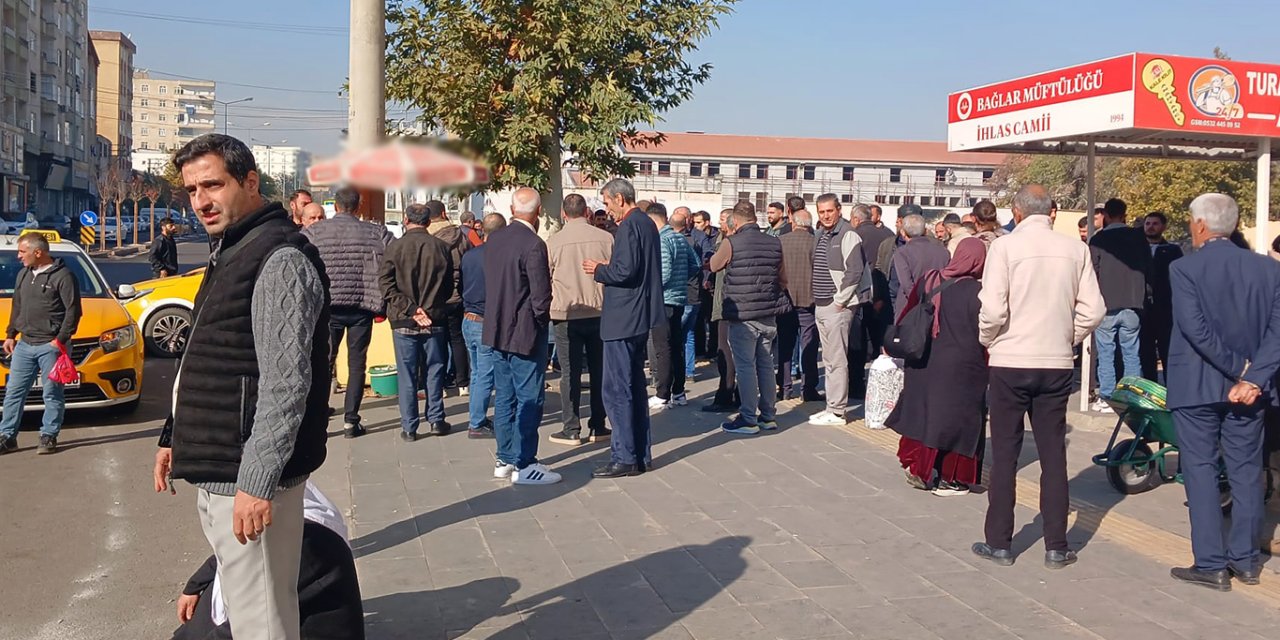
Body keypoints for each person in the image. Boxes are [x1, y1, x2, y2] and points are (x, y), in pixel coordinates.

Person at [154, 133, 329, 640]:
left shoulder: (279, 258)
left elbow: (286, 384)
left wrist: (257, 482)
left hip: (248, 480)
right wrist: (173, 435)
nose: (201, 201)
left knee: (262, 624)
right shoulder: (232, 247)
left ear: (250, 182)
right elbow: (208, 353)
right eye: (192, 190)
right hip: (222, 473)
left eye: (213, 185)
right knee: (246, 615)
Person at [972, 184, 1105, 570]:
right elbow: (1094, 309)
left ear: (1016, 212)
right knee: (1053, 453)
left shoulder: (1004, 248)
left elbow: (993, 309)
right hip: (1055, 362)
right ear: (1051, 212)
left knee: (1005, 453)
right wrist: (1068, 336)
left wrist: (989, 339)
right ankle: (1056, 545)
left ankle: (999, 542)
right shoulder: (1076, 249)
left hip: (1010, 360)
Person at [1166, 193, 1280, 591]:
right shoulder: (1269, 269)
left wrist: (1239, 370)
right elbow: (1277, 331)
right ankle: (1246, 560)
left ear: (1200, 225)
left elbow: (1195, 329)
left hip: (1197, 386)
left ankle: (1211, 564)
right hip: (1250, 392)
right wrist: (1254, 378)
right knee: (1246, 471)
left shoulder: (1184, 268)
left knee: (1200, 470)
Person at [169, 482, 364, 640]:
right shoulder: (286, 526)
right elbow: (222, 556)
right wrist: (193, 587)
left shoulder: (303, 548)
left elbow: (249, 625)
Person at [886, 238, 989, 496]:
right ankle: (951, 478)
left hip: (923, 361)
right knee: (957, 422)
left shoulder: (930, 279)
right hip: (962, 368)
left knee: (924, 415)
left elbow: (907, 313)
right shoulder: (980, 292)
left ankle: (918, 467)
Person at [583, 178, 663, 478]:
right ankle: (639, 454)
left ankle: (624, 455)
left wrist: (600, 269)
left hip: (623, 317)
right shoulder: (646, 223)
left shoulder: (630, 225)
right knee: (634, 386)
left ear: (619, 198)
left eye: (607, 202)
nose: (607, 209)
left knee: (617, 389)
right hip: (639, 314)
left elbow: (625, 271)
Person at [302, 185, 393, 439]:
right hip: (362, 306)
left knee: (323, 363)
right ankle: (351, 421)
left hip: (327, 307)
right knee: (357, 364)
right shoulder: (375, 232)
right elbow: (394, 255)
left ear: (335, 206)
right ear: (358, 205)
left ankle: (318, 417)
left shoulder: (314, 232)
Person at [484, 187, 559, 485]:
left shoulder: (495, 239)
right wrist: (540, 322)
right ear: (538, 212)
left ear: (512, 209)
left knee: (505, 396)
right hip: (525, 331)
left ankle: (505, 457)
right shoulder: (533, 244)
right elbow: (541, 295)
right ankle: (524, 462)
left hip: (496, 328)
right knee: (529, 397)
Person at [0, 232, 81, 455]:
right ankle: (7, 436)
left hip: (51, 347)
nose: (18, 256)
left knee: (52, 393)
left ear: (38, 252)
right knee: (14, 393)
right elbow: (17, 305)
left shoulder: (63, 276)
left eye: (22, 252)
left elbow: (73, 311)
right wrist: (11, 334)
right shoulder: (24, 274)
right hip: (25, 345)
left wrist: (59, 340)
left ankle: (48, 435)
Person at [710, 201, 787, 434]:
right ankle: (768, 416)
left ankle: (748, 418)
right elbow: (783, 278)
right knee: (766, 364)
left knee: (745, 366)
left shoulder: (731, 242)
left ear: (735, 220)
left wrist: (727, 239)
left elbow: (714, 265)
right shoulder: (774, 241)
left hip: (743, 314)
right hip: (768, 312)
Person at [380, 202, 455, 441]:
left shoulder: (394, 247)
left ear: (405, 220)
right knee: (435, 370)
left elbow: (386, 285)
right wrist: (427, 309)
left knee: (407, 374)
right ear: (428, 222)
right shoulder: (442, 247)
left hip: (403, 320)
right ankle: (436, 419)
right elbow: (448, 286)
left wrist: (411, 309)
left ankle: (409, 426)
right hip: (434, 319)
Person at [546, 194, 613, 446]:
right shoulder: (606, 238)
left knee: (569, 372)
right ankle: (598, 424)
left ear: (564, 214)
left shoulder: (553, 242)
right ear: (587, 212)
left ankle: (571, 427)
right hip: (599, 311)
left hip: (566, 313)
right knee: (599, 370)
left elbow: (545, 276)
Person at [809, 194, 867, 426]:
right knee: (829, 358)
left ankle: (837, 411)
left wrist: (840, 300)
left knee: (837, 359)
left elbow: (855, 270)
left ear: (839, 210)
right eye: (821, 212)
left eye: (829, 211)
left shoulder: (848, 234)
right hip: (821, 303)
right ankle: (831, 406)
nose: (825, 216)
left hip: (836, 306)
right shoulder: (821, 234)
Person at [1089, 198, 1151, 411]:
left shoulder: (1099, 239)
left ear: (1105, 215)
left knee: (1106, 353)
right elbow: (1148, 268)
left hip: (1107, 303)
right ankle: (1132, 396)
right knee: (1131, 353)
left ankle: (1107, 396)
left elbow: (1092, 271)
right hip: (1133, 302)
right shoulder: (1138, 237)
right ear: (1125, 215)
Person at [647, 202, 700, 410]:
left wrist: (651, 288)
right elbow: (695, 264)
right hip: (679, 298)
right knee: (677, 347)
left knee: (662, 348)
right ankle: (678, 392)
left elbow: (664, 272)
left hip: (664, 300)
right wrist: (682, 279)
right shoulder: (679, 238)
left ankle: (662, 394)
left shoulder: (661, 240)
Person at [458, 213, 505, 440]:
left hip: (469, 318)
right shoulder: (499, 257)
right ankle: (476, 423)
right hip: (486, 320)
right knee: (485, 374)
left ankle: (476, 417)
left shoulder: (469, 255)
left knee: (477, 372)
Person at [426, 200, 472, 395]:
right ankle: (463, 383)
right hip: (458, 294)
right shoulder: (461, 236)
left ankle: (440, 384)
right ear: (444, 213)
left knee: (437, 340)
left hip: (435, 296)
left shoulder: (426, 237)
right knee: (457, 338)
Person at [702, 209, 741, 414]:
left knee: (725, 350)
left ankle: (726, 394)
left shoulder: (729, 243)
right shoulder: (725, 240)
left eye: (724, 220)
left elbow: (715, 265)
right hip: (733, 303)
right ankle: (737, 394)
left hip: (727, 303)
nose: (721, 223)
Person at [778, 209, 819, 402]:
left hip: (785, 300)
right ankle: (808, 388)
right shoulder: (816, 242)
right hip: (809, 300)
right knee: (808, 345)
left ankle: (784, 387)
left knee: (785, 346)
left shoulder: (781, 241)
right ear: (809, 225)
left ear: (793, 223)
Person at [1140, 211, 1183, 383]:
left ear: (1163, 227)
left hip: (1165, 309)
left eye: (1155, 224)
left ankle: (1172, 388)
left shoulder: (1172, 250)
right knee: (1145, 351)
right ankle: (1150, 387)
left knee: (1167, 349)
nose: (1150, 227)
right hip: (1142, 308)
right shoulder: (1137, 250)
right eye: (1148, 223)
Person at [851, 203, 894, 372]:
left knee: (860, 333)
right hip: (884, 287)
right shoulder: (888, 234)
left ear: (856, 219)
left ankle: (859, 374)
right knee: (880, 332)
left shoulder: (854, 235)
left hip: (862, 289)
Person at [889, 209, 950, 319]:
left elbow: (907, 285)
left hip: (910, 307)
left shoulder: (903, 252)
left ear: (903, 233)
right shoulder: (943, 252)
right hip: (938, 304)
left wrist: (918, 303)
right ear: (925, 231)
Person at [673, 207, 711, 381]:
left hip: (682, 294)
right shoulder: (694, 240)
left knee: (676, 334)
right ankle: (689, 371)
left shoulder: (675, 241)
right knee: (688, 334)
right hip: (693, 292)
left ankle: (677, 370)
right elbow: (699, 264)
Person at [691, 210, 718, 359]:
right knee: (699, 318)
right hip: (700, 282)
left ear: (707, 223)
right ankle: (700, 349)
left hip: (710, 282)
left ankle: (713, 349)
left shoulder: (716, 237)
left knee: (711, 318)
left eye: (699, 222)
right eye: (694, 222)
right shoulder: (694, 235)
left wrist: (707, 278)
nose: (696, 225)